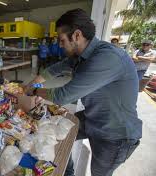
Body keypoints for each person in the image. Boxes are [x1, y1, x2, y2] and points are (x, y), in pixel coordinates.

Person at [25, 9, 142, 176]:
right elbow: (57, 68)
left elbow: (63, 95)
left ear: (77, 35)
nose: (59, 45)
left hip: (115, 135)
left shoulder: (106, 57)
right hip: (94, 118)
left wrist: (32, 92)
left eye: (62, 40)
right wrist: (32, 83)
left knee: (98, 173)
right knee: (56, 132)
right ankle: (68, 171)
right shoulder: (81, 55)